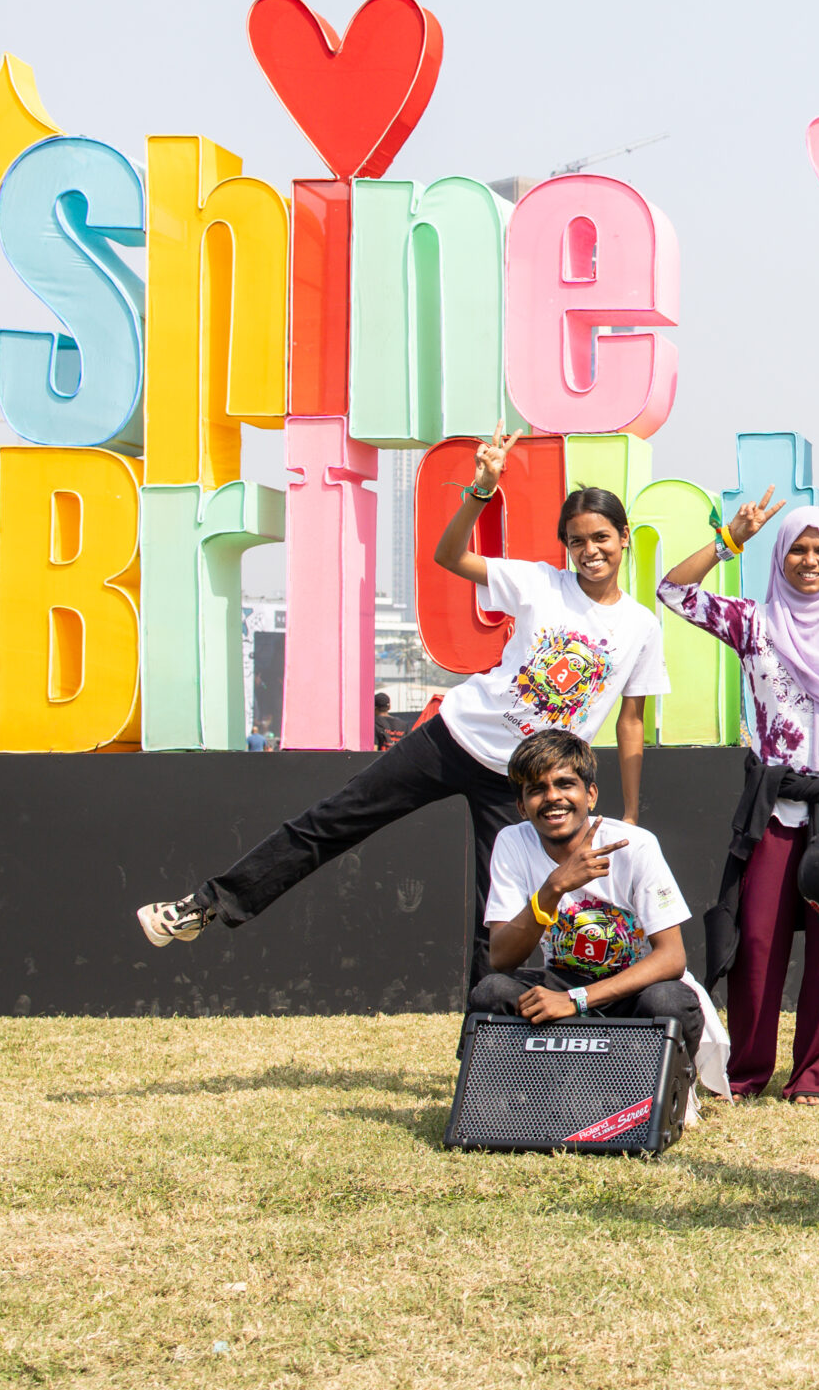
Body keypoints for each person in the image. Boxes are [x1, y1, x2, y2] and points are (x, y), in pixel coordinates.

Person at [135, 423, 672, 991]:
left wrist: (631, 815)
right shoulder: (539, 583)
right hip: (453, 739)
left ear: (624, 537)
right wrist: (482, 490)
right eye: (577, 541)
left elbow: (630, 721)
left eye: (601, 538)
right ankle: (205, 906)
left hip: (524, 782)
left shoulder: (640, 627)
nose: (590, 551)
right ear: (566, 546)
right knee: (333, 820)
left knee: (499, 923)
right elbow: (448, 555)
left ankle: (484, 1059)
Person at [657, 493, 819, 1105]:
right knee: (757, 943)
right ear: (779, 557)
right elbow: (673, 592)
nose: (810, 560)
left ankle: (816, 1076)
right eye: (797, 548)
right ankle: (747, 1071)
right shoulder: (755, 623)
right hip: (772, 811)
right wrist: (728, 540)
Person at [469, 729, 724, 1104]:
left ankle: (660, 1098)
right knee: (493, 991)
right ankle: (535, 1095)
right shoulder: (513, 842)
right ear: (522, 806)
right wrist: (553, 887)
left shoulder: (635, 845)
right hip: (564, 982)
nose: (552, 797)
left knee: (669, 1001)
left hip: (633, 989)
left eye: (565, 784)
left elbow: (672, 957)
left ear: (590, 794)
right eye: (536, 789)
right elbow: (503, 958)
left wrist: (576, 1000)